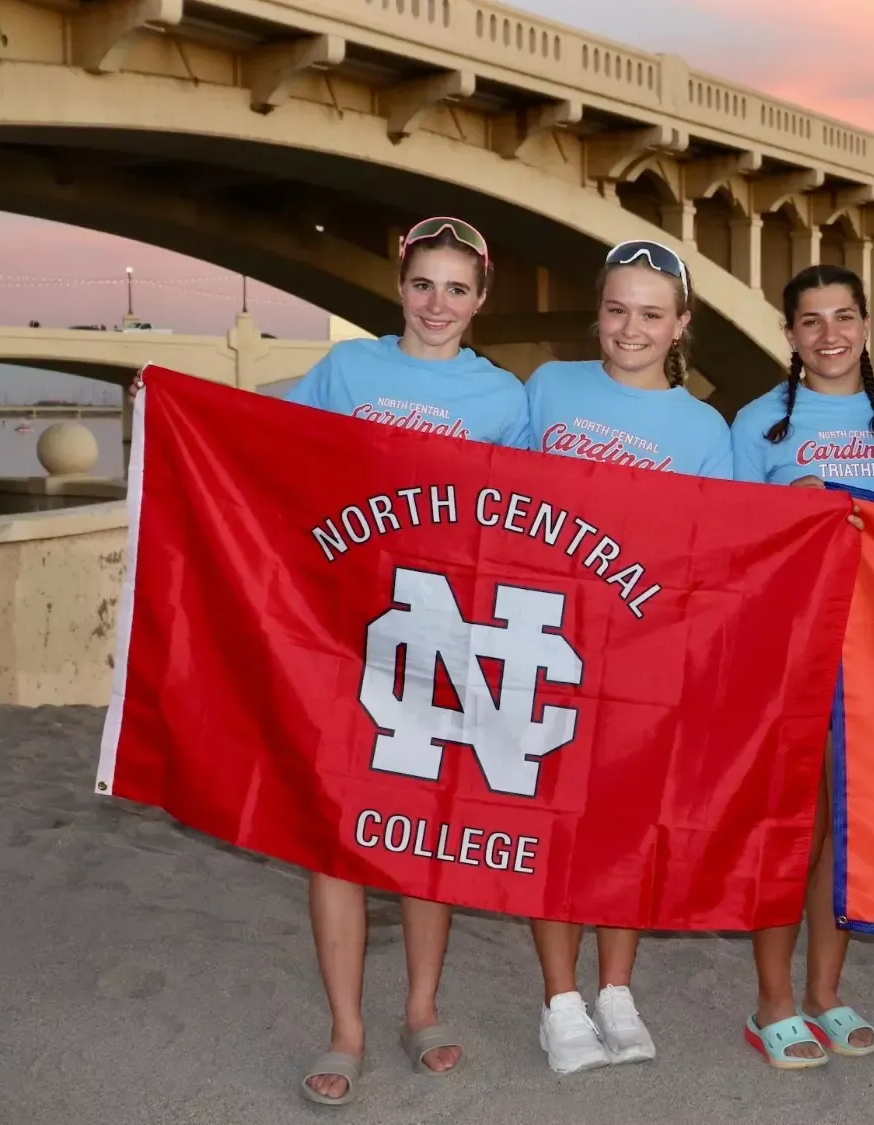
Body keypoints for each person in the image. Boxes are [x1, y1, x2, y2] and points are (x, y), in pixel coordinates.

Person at [279, 215, 533, 1106]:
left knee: (429, 825)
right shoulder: (347, 371)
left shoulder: (506, 398)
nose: (438, 303)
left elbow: (533, 523)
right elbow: (272, 457)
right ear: (400, 287)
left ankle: (422, 1007)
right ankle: (346, 1026)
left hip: (443, 632)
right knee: (335, 833)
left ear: (481, 300)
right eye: (423, 284)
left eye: (457, 288)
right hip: (339, 625)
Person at [522, 239, 732, 1075]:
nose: (630, 327)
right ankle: (560, 1000)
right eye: (617, 309)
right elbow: (471, 479)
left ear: (680, 326)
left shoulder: (704, 427)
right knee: (553, 821)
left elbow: (718, 552)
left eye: (651, 313)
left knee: (624, 826)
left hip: (643, 654)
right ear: (597, 313)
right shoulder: (549, 389)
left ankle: (615, 988)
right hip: (544, 638)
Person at [728, 264, 874, 1069]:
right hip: (789, 649)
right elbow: (728, 542)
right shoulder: (758, 422)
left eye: (843, 317)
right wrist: (784, 510)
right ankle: (773, 1002)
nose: (829, 335)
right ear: (789, 334)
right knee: (789, 826)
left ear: (867, 324)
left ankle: (827, 992)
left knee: (846, 826)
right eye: (809, 320)